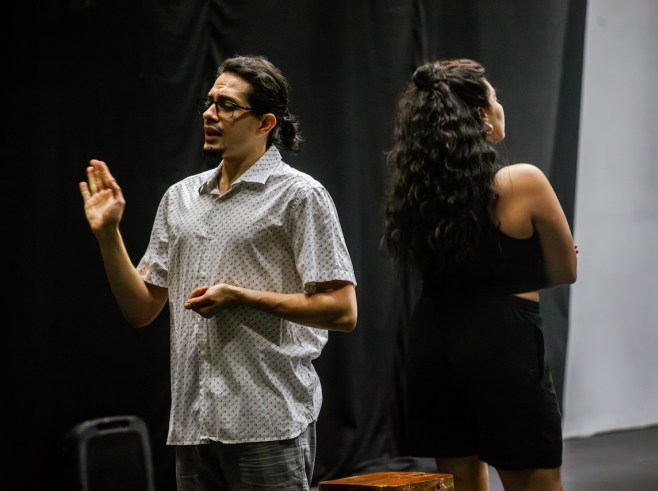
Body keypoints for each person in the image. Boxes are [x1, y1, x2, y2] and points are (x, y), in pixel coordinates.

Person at [79, 54, 358, 490]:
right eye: (208, 102)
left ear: (265, 123)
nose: (210, 114)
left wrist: (241, 297)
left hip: (268, 422)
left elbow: (342, 310)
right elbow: (141, 310)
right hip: (193, 425)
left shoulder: (300, 195)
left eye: (226, 105)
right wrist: (108, 234)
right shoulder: (179, 198)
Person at [382, 59, 577, 491]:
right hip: (503, 345)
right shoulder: (522, 181)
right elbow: (566, 270)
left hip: (433, 342)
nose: (500, 105)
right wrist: (530, 261)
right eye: (495, 97)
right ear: (480, 115)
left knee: (461, 481)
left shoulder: (417, 192)